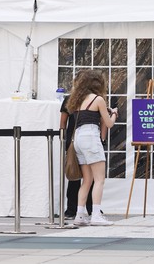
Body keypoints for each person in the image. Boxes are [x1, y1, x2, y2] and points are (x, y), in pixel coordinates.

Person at [67, 69, 118, 226]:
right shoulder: (98, 99)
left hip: (78, 139)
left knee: (86, 180)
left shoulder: (76, 100)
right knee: (99, 180)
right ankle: (96, 215)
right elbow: (108, 124)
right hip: (90, 137)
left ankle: (79, 215)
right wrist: (114, 113)